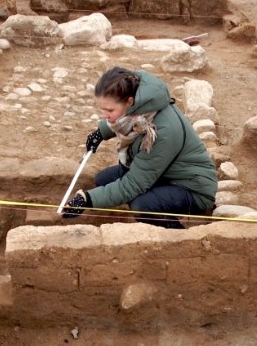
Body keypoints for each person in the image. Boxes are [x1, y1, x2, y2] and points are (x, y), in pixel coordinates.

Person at [63, 67, 218, 229]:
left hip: (191, 187)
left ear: (130, 102)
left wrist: (87, 200)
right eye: (102, 109)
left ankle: (176, 235)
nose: (104, 115)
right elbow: (123, 121)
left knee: (143, 206)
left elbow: (133, 184)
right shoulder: (140, 104)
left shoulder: (161, 131)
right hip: (164, 174)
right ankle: (153, 197)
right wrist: (100, 133)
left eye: (109, 110)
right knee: (102, 180)